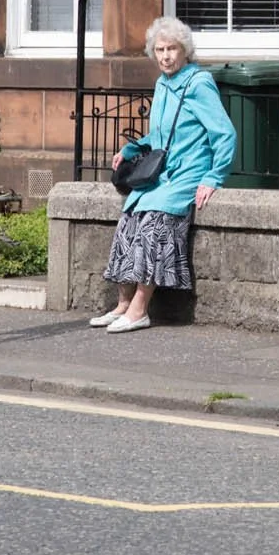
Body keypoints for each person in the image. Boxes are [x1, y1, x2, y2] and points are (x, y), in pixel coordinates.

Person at [91, 16, 236, 333]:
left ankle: (140, 309)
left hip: (187, 173)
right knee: (129, 222)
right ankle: (123, 305)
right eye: (160, 50)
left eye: (172, 49)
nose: (166, 56)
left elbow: (224, 133)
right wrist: (131, 150)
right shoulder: (163, 83)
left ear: (184, 51)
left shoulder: (198, 84)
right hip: (163, 173)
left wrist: (213, 177)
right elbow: (160, 136)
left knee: (154, 226)